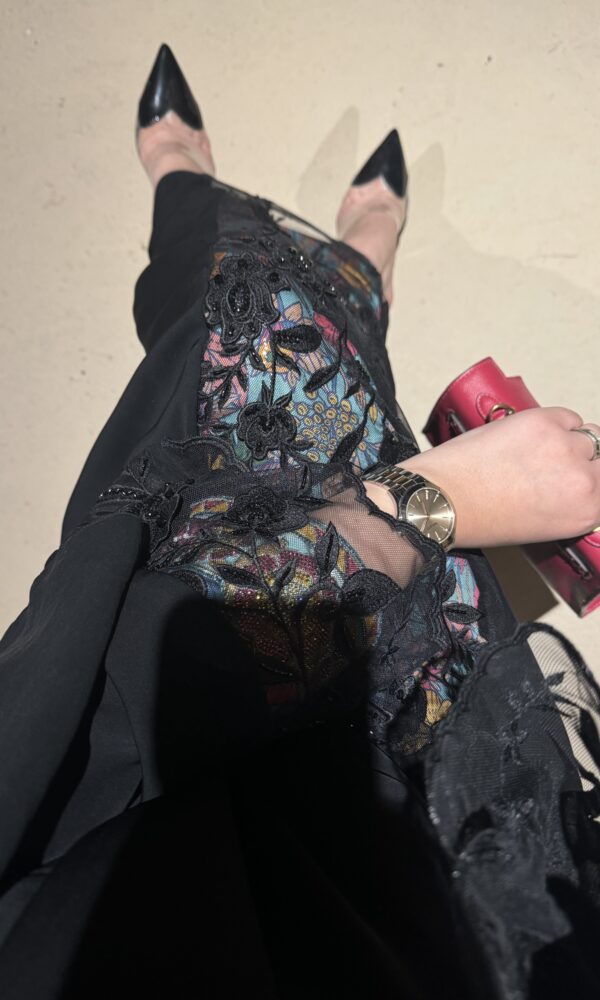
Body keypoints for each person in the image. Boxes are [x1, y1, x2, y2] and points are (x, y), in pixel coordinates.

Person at [0, 43, 599, 1000]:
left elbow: (93, 726)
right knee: (314, 370)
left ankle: (194, 190)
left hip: (244, 610)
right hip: (408, 774)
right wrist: (428, 503)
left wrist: (427, 501)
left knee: (243, 321)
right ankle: (358, 267)